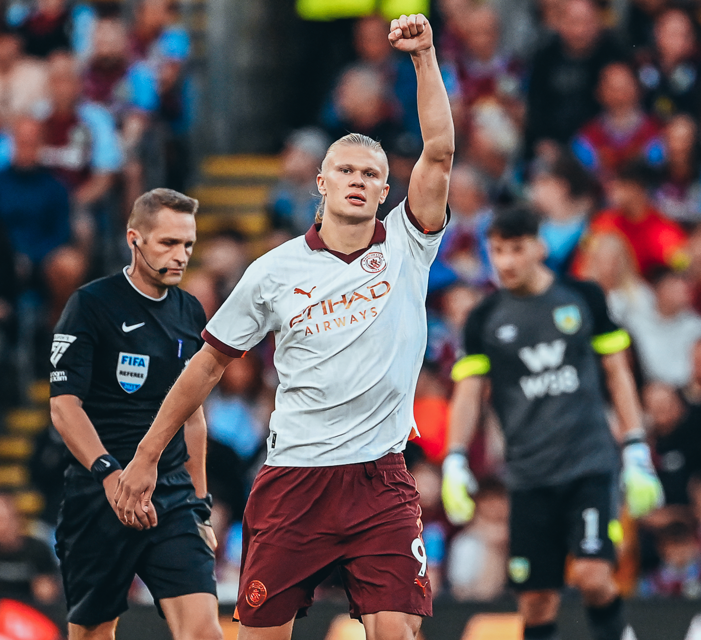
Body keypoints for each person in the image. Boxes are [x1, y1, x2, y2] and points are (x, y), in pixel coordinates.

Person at [113, 14, 454, 640]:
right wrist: (145, 454)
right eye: (345, 171)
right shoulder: (273, 271)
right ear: (319, 183)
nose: (358, 181)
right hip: (295, 479)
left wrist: (424, 56)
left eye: (371, 174)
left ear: (386, 191)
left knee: (399, 632)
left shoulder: (410, 244)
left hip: (380, 479)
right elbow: (208, 364)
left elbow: (438, 150)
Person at [441, 207, 662, 640]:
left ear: (540, 246)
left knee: (594, 576)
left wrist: (636, 447)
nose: (505, 262)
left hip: (589, 466)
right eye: (497, 250)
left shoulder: (583, 299)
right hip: (527, 477)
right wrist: (454, 459)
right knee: (536, 603)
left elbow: (617, 373)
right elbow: (469, 394)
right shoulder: (484, 319)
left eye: (516, 249)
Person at [48, 188, 220, 640]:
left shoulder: (190, 311)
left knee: (204, 631)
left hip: (171, 497)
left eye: (188, 244)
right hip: (98, 495)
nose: (181, 255)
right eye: (167, 243)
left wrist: (200, 506)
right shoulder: (91, 305)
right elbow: (64, 407)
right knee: (93, 634)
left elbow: (194, 416)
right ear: (134, 239)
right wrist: (109, 474)